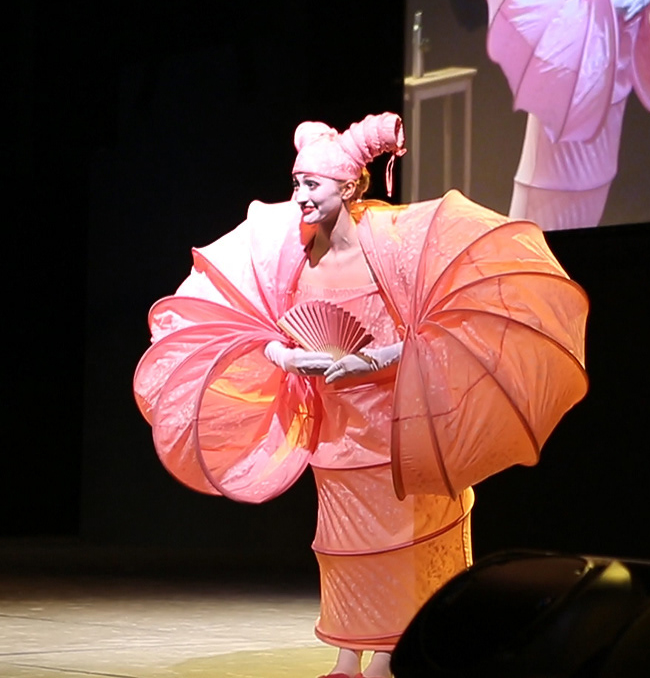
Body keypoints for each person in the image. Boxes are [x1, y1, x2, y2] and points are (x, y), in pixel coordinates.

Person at [134, 113, 588, 678]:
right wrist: (287, 357)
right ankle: (349, 651)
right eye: (297, 183)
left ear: (349, 186)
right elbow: (249, 319)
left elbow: (431, 328)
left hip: (395, 423)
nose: (301, 195)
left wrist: (370, 359)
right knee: (344, 542)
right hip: (335, 427)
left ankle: (393, 650)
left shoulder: (389, 244)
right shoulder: (292, 252)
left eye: (313, 184)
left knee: (403, 540)